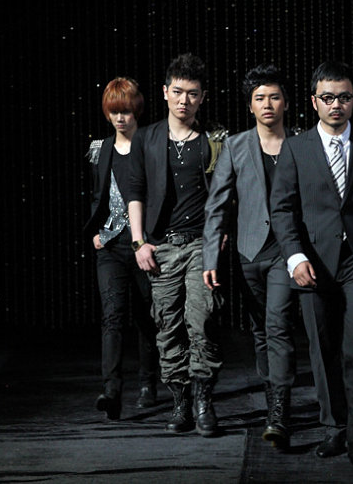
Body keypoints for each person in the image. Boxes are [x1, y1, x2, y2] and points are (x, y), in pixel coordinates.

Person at [270, 61, 353, 469]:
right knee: (323, 349)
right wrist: (294, 257)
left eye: (343, 97)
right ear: (314, 102)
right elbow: (282, 209)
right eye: (328, 97)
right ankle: (335, 427)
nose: (336, 104)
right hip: (313, 264)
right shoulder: (296, 147)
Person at [128, 53, 226, 436]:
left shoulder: (214, 139)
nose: (185, 100)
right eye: (179, 92)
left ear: (203, 97)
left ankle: (203, 401)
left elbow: (226, 192)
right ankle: (180, 401)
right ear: (166, 92)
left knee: (202, 320)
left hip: (202, 243)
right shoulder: (147, 138)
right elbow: (135, 191)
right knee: (167, 326)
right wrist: (139, 242)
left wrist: (221, 234)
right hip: (162, 246)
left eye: (193, 93)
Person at [202, 64, 296, 450]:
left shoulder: (301, 143)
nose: (268, 104)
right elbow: (217, 204)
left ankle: (280, 410)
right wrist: (211, 257)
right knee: (261, 331)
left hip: (287, 252)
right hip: (247, 253)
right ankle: (273, 398)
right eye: (260, 98)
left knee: (278, 325)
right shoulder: (236, 146)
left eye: (274, 97)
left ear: (286, 102)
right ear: (250, 105)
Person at [84, 77, 159, 420]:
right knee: (112, 315)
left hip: (144, 246)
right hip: (111, 246)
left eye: (125, 111)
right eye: (114, 112)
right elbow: (98, 194)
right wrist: (96, 231)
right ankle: (111, 389)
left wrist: (152, 238)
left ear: (136, 110)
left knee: (146, 317)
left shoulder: (151, 146)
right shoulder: (101, 149)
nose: (120, 118)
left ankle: (148, 383)